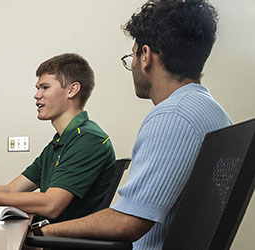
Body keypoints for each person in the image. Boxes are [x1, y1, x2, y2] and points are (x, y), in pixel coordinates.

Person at [34, 1, 231, 249]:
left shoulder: (171, 116)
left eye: (133, 56)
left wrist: (42, 232)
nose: (133, 66)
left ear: (145, 56)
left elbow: (127, 222)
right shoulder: (210, 109)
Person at [0, 53, 116, 223]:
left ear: (72, 90)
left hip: (63, 241)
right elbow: (12, 190)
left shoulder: (88, 139)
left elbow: (52, 205)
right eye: (37, 88)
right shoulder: (58, 143)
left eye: (45, 87)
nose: (37, 95)